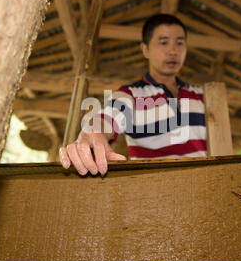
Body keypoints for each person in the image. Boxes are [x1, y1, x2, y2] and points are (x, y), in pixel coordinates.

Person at [59, 14, 207, 176]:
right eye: (163, 42)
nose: (173, 51)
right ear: (145, 50)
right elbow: (107, 118)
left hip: (205, 190)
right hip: (154, 195)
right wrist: (93, 132)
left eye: (179, 43)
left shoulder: (203, 95)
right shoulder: (130, 95)